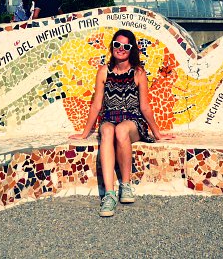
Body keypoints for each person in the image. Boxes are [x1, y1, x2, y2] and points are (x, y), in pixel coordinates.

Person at [70, 29, 173, 217]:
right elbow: (96, 105)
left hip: (133, 120)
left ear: (131, 49)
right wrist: (84, 133)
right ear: (112, 46)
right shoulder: (104, 72)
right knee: (109, 131)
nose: (121, 49)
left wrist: (157, 133)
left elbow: (145, 107)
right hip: (109, 117)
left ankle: (125, 185)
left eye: (126, 46)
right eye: (117, 45)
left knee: (122, 130)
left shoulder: (138, 73)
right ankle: (109, 194)